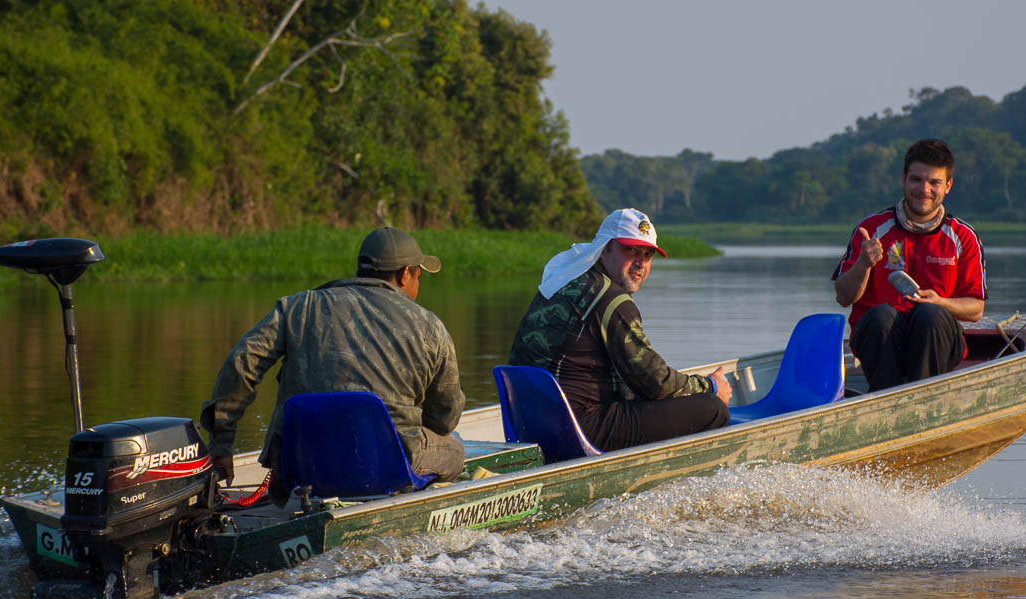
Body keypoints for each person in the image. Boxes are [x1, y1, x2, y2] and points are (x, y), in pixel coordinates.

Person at [200, 227, 466, 502]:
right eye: (418, 276)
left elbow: (242, 363)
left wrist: (221, 444)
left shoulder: (298, 308)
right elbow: (445, 417)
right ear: (404, 274)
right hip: (386, 468)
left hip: (301, 464)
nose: (418, 286)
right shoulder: (430, 327)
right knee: (455, 450)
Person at [508, 208, 731, 451]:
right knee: (712, 409)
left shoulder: (563, 283)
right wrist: (711, 386)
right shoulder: (612, 301)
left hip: (531, 427)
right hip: (580, 429)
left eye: (647, 255)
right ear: (605, 250)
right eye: (630, 250)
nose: (640, 263)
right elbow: (655, 382)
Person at [833, 138, 987, 392]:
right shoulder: (872, 229)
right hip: (877, 342)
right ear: (903, 178)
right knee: (882, 315)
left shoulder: (963, 236)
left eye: (934, 182)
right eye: (916, 179)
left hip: (937, 342)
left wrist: (940, 302)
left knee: (930, 314)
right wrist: (863, 263)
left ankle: (924, 397)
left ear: (948, 186)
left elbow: (976, 309)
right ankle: (883, 397)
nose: (924, 189)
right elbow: (843, 297)